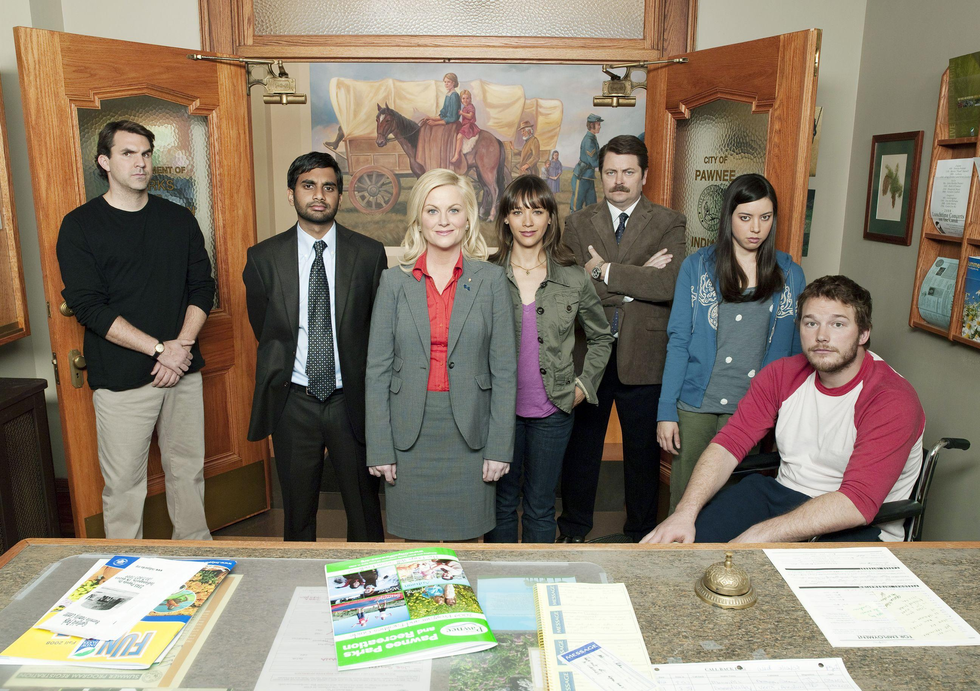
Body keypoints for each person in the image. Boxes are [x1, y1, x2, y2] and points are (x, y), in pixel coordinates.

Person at [643, 275, 926, 544]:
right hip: (781, 496)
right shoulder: (781, 374)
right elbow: (728, 444)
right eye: (811, 323)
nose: (822, 336)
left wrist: (759, 536)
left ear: (863, 333)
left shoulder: (891, 399)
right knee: (684, 546)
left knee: (750, 569)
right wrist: (684, 513)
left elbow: (856, 502)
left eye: (838, 324)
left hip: (854, 521)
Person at [57, 120, 215, 540]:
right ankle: (126, 569)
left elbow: (203, 288)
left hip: (182, 370)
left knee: (188, 474)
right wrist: (160, 350)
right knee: (125, 486)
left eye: (146, 153)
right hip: (122, 378)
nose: (140, 162)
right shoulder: (80, 226)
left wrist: (179, 349)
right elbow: (89, 307)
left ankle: (197, 558)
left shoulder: (178, 219)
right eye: (128, 153)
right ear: (104, 161)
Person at [365, 168, 517, 541]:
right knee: (415, 554)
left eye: (453, 210)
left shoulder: (491, 281)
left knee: (468, 549)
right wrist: (380, 448)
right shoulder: (393, 281)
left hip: (471, 433)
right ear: (419, 218)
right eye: (432, 210)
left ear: (468, 218)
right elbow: (377, 371)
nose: (443, 220)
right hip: (408, 434)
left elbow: (505, 372)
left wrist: (500, 448)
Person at [243, 151, 386, 542]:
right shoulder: (263, 258)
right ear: (291, 194)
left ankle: (369, 579)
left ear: (339, 195)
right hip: (293, 403)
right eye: (308, 186)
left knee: (364, 511)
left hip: (351, 402)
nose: (319, 195)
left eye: (329, 187)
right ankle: (299, 576)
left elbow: (377, 331)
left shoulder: (369, 254)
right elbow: (266, 329)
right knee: (298, 514)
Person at [557, 134, 686, 543]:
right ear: (600, 175)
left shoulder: (669, 222)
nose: (619, 180)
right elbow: (569, 288)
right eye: (611, 172)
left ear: (644, 175)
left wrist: (603, 271)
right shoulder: (577, 223)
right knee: (581, 451)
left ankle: (641, 535)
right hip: (588, 356)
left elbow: (668, 284)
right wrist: (637, 280)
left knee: (642, 456)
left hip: (644, 356)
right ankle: (573, 530)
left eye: (628, 172)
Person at [657, 174, 806, 513]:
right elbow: (679, 340)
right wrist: (666, 410)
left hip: (752, 407)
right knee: (684, 502)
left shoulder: (790, 274)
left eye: (765, 217)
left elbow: (795, 352)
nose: (756, 228)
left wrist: (785, 413)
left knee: (732, 506)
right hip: (695, 404)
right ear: (728, 217)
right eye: (745, 217)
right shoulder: (697, 267)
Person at [484, 175, 612, 544]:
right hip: (498, 413)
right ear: (505, 218)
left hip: (553, 411)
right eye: (518, 211)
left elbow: (602, 337)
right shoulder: (486, 275)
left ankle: (537, 577)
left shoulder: (573, 278)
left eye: (537, 211)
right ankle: (499, 577)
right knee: (500, 504)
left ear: (550, 218)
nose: (527, 221)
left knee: (540, 506)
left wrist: (584, 386)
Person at [570, 114, 602, 212]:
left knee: (592, 206)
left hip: (588, 177)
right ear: (592, 125)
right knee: (576, 207)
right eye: (598, 124)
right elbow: (594, 162)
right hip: (581, 177)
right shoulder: (589, 140)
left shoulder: (592, 138)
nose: (600, 126)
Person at [451, 89, 480, 164]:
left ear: (470, 99)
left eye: (467, 98)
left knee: (459, 136)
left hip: (469, 125)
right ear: (461, 99)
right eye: (463, 98)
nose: (465, 100)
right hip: (465, 125)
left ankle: (456, 154)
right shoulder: (464, 108)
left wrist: (462, 113)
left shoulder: (470, 106)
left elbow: (470, 116)